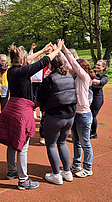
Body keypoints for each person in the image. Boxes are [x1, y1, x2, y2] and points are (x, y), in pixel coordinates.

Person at [0, 40, 63, 190]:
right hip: (21, 111)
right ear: (22, 61)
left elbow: (30, 60)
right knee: (22, 147)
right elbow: (43, 62)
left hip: (11, 108)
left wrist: (43, 50)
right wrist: (58, 50)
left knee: (11, 143)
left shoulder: (11, 69)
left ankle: (12, 171)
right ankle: (23, 180)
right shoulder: (23, 71)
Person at [36, 54, 77, 185]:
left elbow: (40, 97)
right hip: (70, 116)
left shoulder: (50, 79)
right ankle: (67, 171)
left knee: (51, 144)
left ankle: (56, 174)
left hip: (55, 116)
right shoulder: (69, 76)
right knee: (62, 142)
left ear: (50, 64)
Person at [61, 44, 96, 178]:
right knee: (76, 141)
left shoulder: (84, 77)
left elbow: (73, 65)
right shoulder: (75, 77)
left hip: (83, 115)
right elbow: (67, 64)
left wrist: (65, 50)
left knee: (85, 142)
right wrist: (58, 51)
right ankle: (76, 163)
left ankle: (88, 167)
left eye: (76, 67)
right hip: (75, 114)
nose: (72, 69)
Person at [90, 60, 109, 139]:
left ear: (103, 67)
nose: (96, 66)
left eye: (99, 65)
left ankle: (94, 132)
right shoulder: (92, 73)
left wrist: (89, 79)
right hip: (89, 97)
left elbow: (101, 82)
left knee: (92, 115)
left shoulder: (104, 77)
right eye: (96, 64)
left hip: (97, 98)